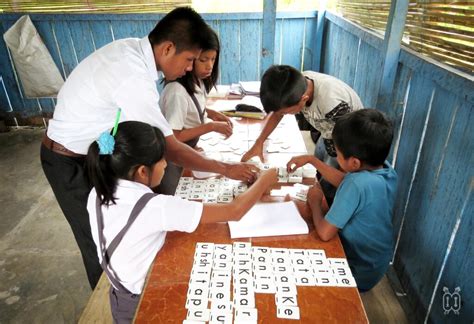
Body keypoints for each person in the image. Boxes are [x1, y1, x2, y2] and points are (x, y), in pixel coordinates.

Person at [40, 7, 258, 289]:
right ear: (168, 48)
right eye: (190, 59)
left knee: (118, 225)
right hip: (68, 161)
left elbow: (115, 120)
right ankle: (110, 305)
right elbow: (172, 148)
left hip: (96, 149)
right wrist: (226, 169)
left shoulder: (131, 53)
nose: (191, 68)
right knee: (100, 241)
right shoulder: (132, 75)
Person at [86, 120, 278, 323]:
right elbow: (234, 211)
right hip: (148, 300)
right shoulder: (155, 207)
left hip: (120, 298)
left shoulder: (98, 192)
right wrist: (265, 178)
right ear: (142, 171)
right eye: (162, 160)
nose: (166, 165)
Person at [287, 109, 397, 291]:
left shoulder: (356, 184)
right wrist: (312, 161)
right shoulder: (386, 172)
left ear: (354, 163)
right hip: (376, 263)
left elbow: (325, 233)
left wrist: (315, 202)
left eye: (336, 153)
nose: (335, 157)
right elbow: (346, 182)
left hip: (356, 268)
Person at [241, 65, 363, 203]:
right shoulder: (297, 84)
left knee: (330, 188)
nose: (283, 115)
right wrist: (259, 143)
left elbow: (348, 148)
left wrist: (339, 178)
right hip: (327, 132)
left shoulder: (331, 104)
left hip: (349, 142)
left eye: (286, 112)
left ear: (304, 100)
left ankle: (329, 211)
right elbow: (277, 113)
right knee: (317, 174)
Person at [158, 28, 233, 194]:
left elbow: (194, 110)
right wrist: (211, 126)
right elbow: (174, 137)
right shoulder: (177, 92)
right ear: (189, 59)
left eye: (213, 59)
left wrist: (212, 113)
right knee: (174, 196)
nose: (210, 66)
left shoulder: (199, 82)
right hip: (172, 157)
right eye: (203, 60)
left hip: (187, 150)